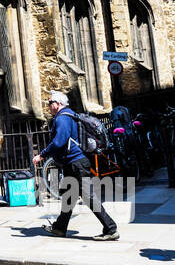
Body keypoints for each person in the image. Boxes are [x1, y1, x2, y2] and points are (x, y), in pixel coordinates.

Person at [33, 91, 118, 241]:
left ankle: (111, 228)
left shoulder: (62, 119)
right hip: (73, 163)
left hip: (76, 163)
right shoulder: (69, 114)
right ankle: (60, 228)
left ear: (58, 104)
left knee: (89, 197)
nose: (48, 105)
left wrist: (42, 155)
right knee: (69, 197)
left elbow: (59, 141)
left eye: (50, 102)